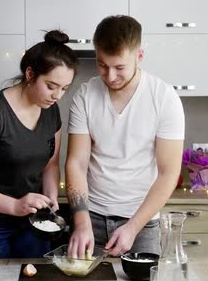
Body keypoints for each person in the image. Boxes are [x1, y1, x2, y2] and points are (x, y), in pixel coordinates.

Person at [66, 15, 185, 258]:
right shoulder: (85, 96)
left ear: (139, 56)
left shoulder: (164, 98)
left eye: (119, 67)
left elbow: (168, 173)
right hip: (91, 219)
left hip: (142, 222)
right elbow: (76, 164)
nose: (110, 76)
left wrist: (131, 228)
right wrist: (81, 222)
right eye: (102, 65)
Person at [0, 30, 78, 258]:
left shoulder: (51, 111)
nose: (57, 96)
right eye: (51, 86)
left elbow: (50, 164)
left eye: (64, 88)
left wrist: (50, 198)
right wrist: (14, 206)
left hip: (33, 219)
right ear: (30, 74)